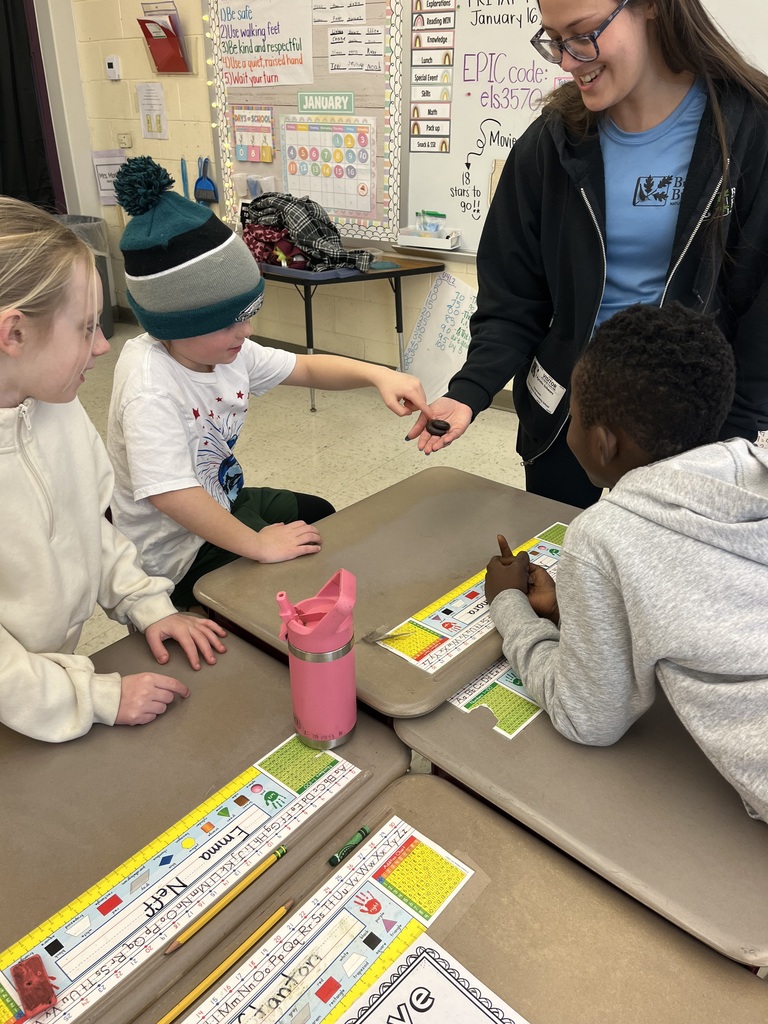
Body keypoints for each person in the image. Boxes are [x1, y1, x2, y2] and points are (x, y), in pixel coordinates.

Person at [408, 0, 768, 508]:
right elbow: (513, 298)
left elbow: (761, 319)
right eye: (553, 39)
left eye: (582, 35)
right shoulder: (550, 143)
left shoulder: (751, 132)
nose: (567, 61)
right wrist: (470, 389)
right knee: (565, 569)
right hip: (570, 427)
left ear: (651, 8)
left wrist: (733, 446)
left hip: (701, 436)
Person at [484, 302, 768, 822]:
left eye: (575, 416)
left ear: (602, 442)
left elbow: (588, 717)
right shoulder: (756, 463)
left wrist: (508, 606)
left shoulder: (604, 533)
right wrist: (574, 609)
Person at [107, 158, 431, 609]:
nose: (247, 332)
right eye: (228, 323)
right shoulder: (149, 386)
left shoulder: (221, 348)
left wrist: (378, 374)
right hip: (175, 552)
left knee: (317, 516)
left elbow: (307, 368)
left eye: (249, 314)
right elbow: (171, 495)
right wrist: (259, 545)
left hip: (222, 500)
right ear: (170, 326)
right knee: (288, 573)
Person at [0, 197, 228, 743]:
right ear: (13, 334)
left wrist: (145, 603)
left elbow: (91, 528)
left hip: (39, 688)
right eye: (85, 328)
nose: (104, 345)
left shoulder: (54, 404)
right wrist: (93, 695)